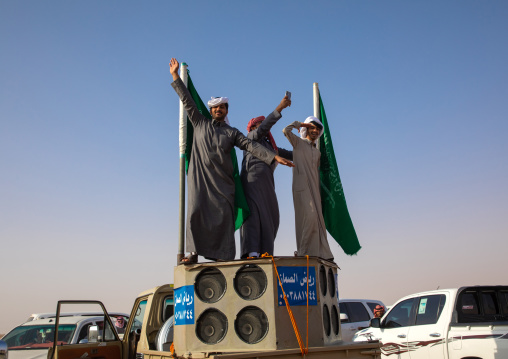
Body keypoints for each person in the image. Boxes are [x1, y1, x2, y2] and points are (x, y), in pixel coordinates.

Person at [169, 58, 294, 263]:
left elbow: (250, 146)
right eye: (216, 107)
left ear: (227, 111)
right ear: (211, 111)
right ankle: (193, 254)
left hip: (223, 184)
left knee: (224, 218)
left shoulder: (232, 132)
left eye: (223, 107)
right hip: (201, 180)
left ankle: (224, 257)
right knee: (196, 214)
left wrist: (273, 156)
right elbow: (186, 100)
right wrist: (175, 75)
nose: (219, 110)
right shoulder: (199, 122)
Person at [240, 97, 293, 258]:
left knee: (271, 217)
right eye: (259, 124)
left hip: (267, 185)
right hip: (252, 181)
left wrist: (310, 151)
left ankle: (265, 252)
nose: (262, 127)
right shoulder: (251, 137)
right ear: (254, 126)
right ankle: (252, 252)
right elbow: (264, 127)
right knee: (253, 216)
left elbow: (292, 155)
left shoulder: (271, 146)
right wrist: (280, 108)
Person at [282, 116, 334, 261]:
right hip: (301, 187)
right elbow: (285, 130)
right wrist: (301, 124)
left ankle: (322, 253)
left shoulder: (317, 152)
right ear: (306, 129)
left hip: (314, 188)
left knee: (318, 221)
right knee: (309, 218)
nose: (315, 131)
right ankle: (302, 252)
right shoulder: (298, 143)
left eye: (318, 129)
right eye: (312, 128)